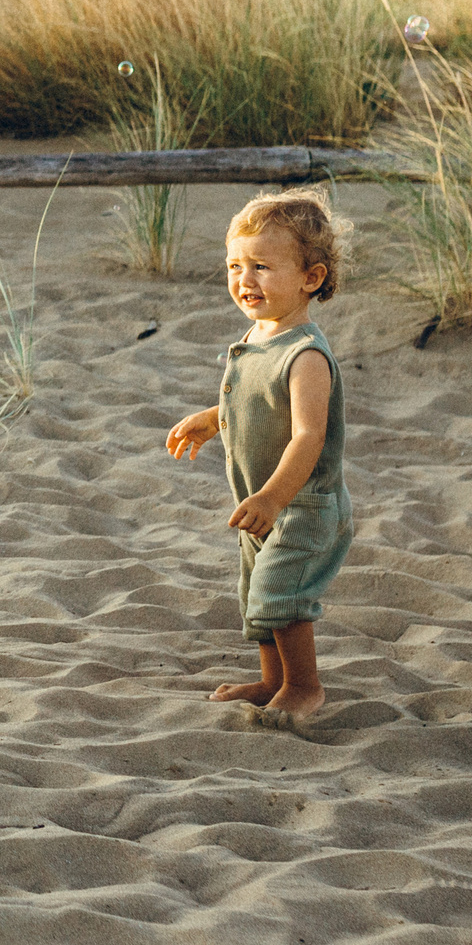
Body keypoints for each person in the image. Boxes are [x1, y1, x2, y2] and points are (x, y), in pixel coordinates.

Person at [167, 191, 355, 727]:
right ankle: (272, 679)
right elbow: (249, 398)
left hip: (302, 503)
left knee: (281, 595)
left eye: (262, 267)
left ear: (310, 278)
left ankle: (303, 686)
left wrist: (274, 497)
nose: (244, 279)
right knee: (257, 596)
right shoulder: (258, 337)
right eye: (235, 266)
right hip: (260, 499)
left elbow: (307, 437)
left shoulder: (306, 355)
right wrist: (211, 420)